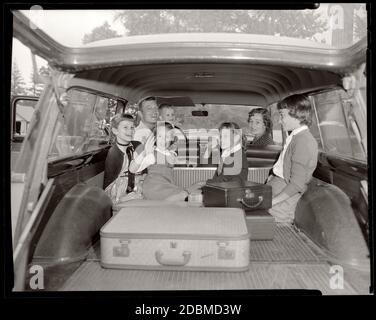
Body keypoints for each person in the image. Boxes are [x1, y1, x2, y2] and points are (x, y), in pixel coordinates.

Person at [266, 94, 318, 224]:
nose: (279, 120)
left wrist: (272, 202)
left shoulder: (303, 141)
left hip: (283, 198)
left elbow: (296, 184)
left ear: (297, 114)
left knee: (274, 231)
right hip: (277, 187)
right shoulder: (295, 137)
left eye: (282, 115)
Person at [131, 121, 190, 201]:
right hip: (154, 188)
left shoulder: (169, 153)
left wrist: (186, 162)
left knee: (185, 193)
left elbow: (174, 159)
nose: (163, 140)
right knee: (184, 194)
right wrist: (144, 153)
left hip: (166, 185)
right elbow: (134, 169)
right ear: (154, 138)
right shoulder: (152, 154)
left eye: (167, 137)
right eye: (160, 136)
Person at [103, 114, 144, 204]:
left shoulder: (139, 145)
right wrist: (122, 199)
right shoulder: (114, 154)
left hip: (141, 189)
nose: (130, 131)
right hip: (121, 197)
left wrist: (141, 183)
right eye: (125, 127)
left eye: (132, 127)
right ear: (115, 130)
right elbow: (108, 187)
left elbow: (145, 169)